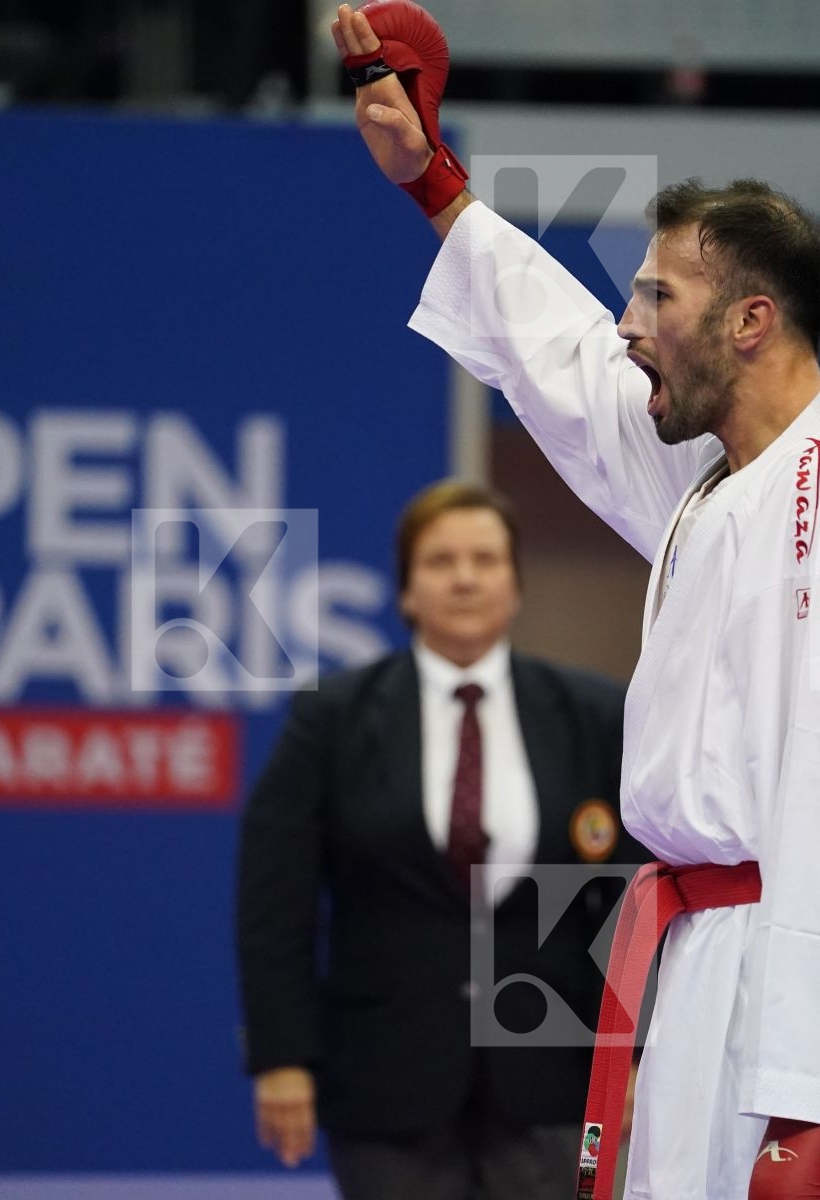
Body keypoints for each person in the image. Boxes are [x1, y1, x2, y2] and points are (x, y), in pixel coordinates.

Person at [329, 5, 820, 1198]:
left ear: (750, 322)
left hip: (799, 977)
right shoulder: (719, 476)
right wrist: (434, 187)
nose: (627, 323)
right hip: (700, 963)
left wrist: (804, 1115)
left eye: (656, 299)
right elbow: (568, 366)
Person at [236, 479, 643, 1200]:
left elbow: (626, 910)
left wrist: (635, 1055)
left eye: (486, 560)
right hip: (387, 1084)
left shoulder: (593, 715)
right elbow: (276, 904)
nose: (463, 577)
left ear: (515, 585)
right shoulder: (331, 721)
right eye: (440, 560)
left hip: (554, 1079)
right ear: (405, 590)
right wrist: (282, 1058)